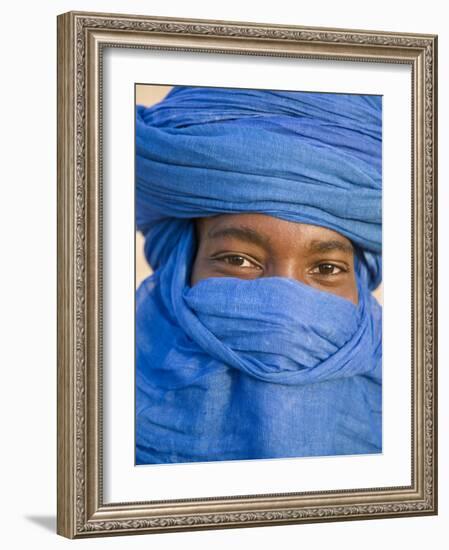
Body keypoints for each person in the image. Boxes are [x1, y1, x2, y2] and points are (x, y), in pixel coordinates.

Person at [135, 86, 382, 465]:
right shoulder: (86, 411)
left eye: (327, 269)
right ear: (180, 266)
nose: (284, 311)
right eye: (237, 260)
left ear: (361, 284)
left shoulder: (421, 423)